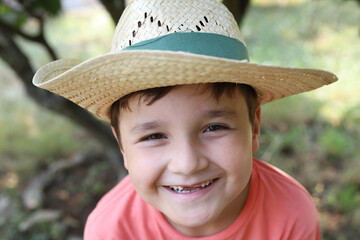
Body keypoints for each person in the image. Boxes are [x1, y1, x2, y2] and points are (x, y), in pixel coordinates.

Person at [33, 0, 338, 239]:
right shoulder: (112, 230)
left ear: (254, 126)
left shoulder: (291, 214)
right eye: (153, 136)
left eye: (214, 127)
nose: (187, 163)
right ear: (122, 145)